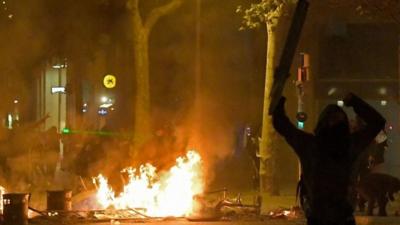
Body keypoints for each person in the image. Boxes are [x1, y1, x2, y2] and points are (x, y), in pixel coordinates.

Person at [272, 93, 385, 225]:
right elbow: (377, 122)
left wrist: (278, 101)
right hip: (341, 217)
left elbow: (281, 124)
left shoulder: (310, 145)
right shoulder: (350, 145)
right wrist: (355, 103)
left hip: (319, 217)